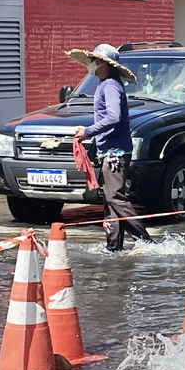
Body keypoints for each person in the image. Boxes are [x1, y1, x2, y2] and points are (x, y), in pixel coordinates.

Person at [70, 44, 154, 252]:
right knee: (109, 199)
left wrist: (88, 131)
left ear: (103, 64)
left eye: (95, 61)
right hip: (108, 151)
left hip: (114, 153)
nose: (91, 65)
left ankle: (144, 240)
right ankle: (113, 245)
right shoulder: (106, 85)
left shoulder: (110, 85)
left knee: (115, 197)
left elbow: (114, 117)